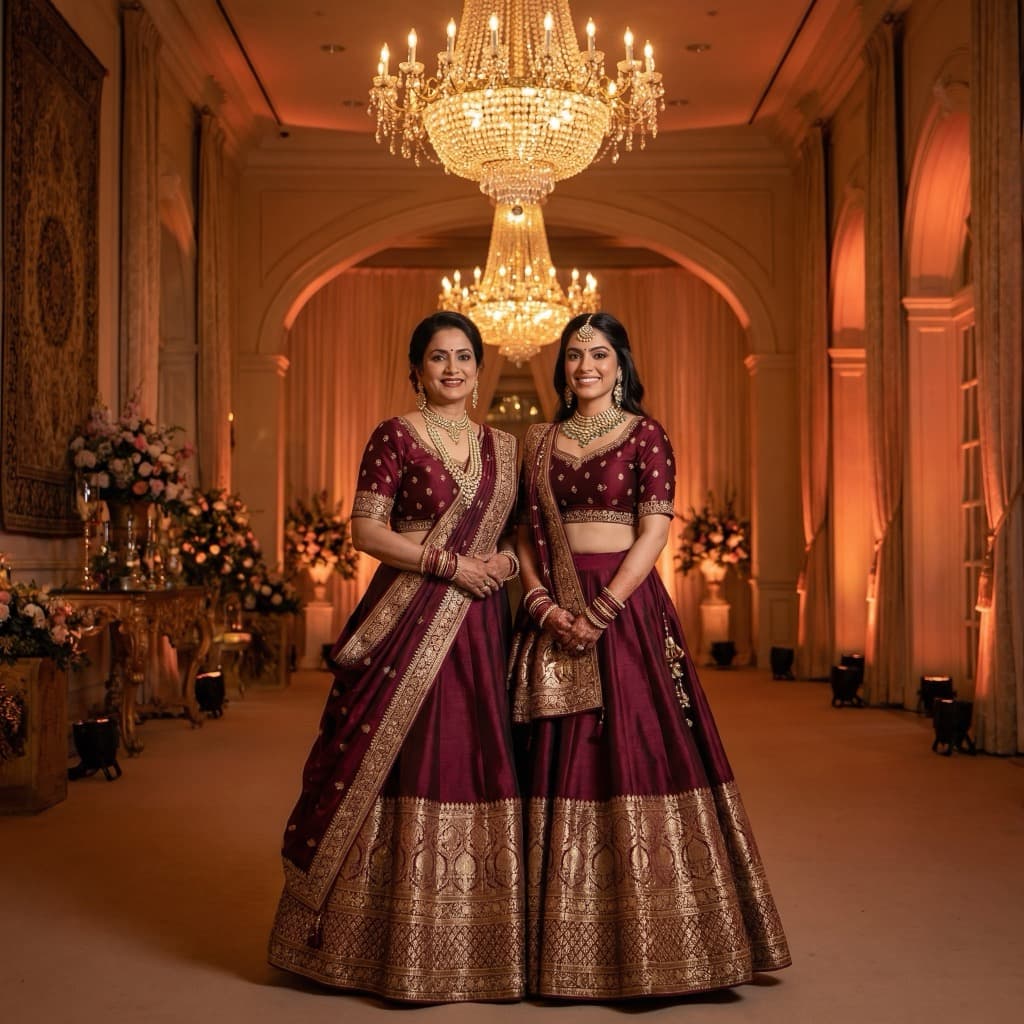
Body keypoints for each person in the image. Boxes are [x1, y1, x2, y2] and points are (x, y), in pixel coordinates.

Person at [510, 311, 791, 999]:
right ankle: (554, 942)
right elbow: (522, 534)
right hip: (556, 609)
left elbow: (654, 530)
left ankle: (663, 939)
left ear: (621, 364)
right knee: (558, 752)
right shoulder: (538, 442)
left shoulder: (646, 434)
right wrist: (543, 603)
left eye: (599, 355)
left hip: (627, 611)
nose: (585, 367)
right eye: (574, 356)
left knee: (642, 745)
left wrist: (605, 610)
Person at [269, 311, 524, 1003]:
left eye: (464, 357)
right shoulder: (396, 436)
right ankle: (367, 940)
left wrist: (500, 562)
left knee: (474, 753)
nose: (451, 369)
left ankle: (475, 939)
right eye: (437, 358)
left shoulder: (504, 447)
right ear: (416, 369)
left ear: (479, 367)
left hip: (477, 623)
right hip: (408, 611)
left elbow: (518, 535)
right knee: (398, 750)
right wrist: (450, 563)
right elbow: (366, 530)